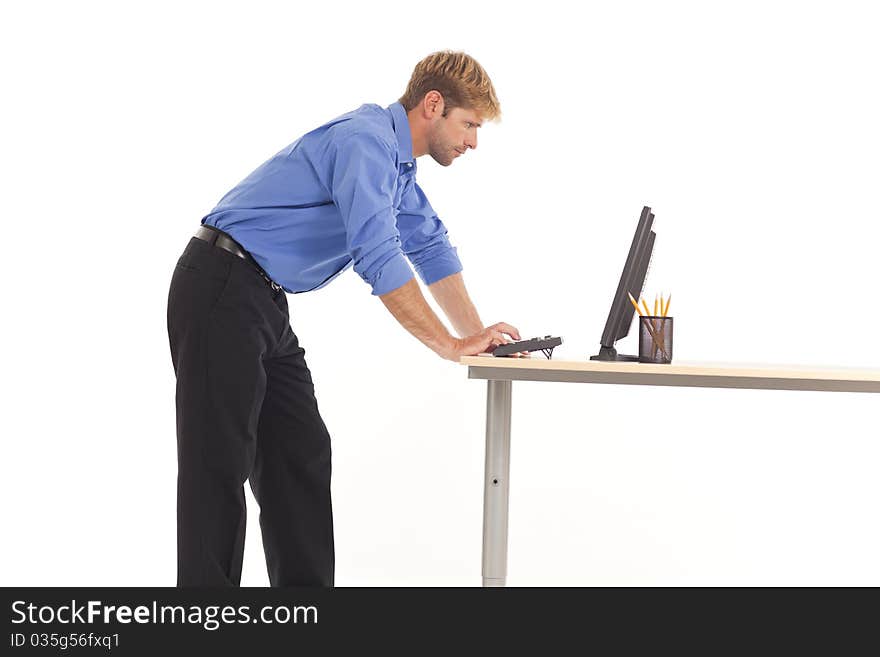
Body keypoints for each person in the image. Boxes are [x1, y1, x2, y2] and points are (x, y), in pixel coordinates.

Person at [166, 50, 524, 587]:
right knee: (217, 466)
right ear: (433, 105)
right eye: (469, 124)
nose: (473, 141)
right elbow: (378, 256)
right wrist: (448, 345)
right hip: (220, 284)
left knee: (300, 453)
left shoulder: (397, 167)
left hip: (261, 299)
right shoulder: (366, 142)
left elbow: (429, 246)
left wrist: (477, 336)